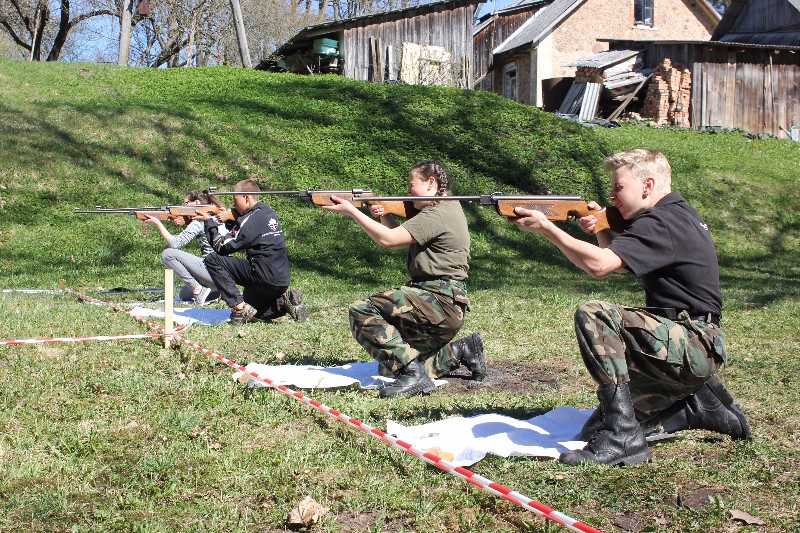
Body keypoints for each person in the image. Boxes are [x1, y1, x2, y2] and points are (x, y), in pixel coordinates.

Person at [510, 148, 751, 466]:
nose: (612, 196)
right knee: (594, 429)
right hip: (691, 344)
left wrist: (547, 229)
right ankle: (698, 407)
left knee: (596, 314)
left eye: (618, 187)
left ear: (647, 185)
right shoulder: (675, 215)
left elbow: (600, 266)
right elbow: (620, 263)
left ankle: (623, 437)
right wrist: (601, 226)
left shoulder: (661, 222)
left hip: (694, 342)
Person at [321, 160, 486, 398]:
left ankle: (414, 376)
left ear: (431, 182)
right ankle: (460, 351)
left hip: (437, 301)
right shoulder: (445, 207)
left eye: (411, 185)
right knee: (390, 366)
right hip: (443, 303)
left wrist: (352, 211)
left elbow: (389, 240)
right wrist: (385, 214)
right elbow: (400, 235)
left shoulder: (437, 214)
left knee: (362, 310)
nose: (408, 191)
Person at [194, 179, 308, 326]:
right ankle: (283, 302)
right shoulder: (268, 212)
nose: (234, 205)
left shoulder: (250, 219)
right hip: (281, 279)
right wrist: (228, 219)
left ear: (246, 197)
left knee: (213, 259)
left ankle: (239, 307)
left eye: (235, 201)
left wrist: (209, 222)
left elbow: (221, 247)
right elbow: (244, 231)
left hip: (263, 276)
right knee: (253, 311)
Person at [142, 190, 220, 306]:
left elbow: (175, 244)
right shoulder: (219, 217)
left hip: (213, 270)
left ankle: (198, 290)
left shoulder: (199, 222)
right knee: (184, 294)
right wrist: (186, 221)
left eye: (186, 203)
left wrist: (158, 223)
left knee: (167, 254)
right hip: (225, 273)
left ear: (196, 203)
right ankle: (219, 291)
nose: (183, 206)